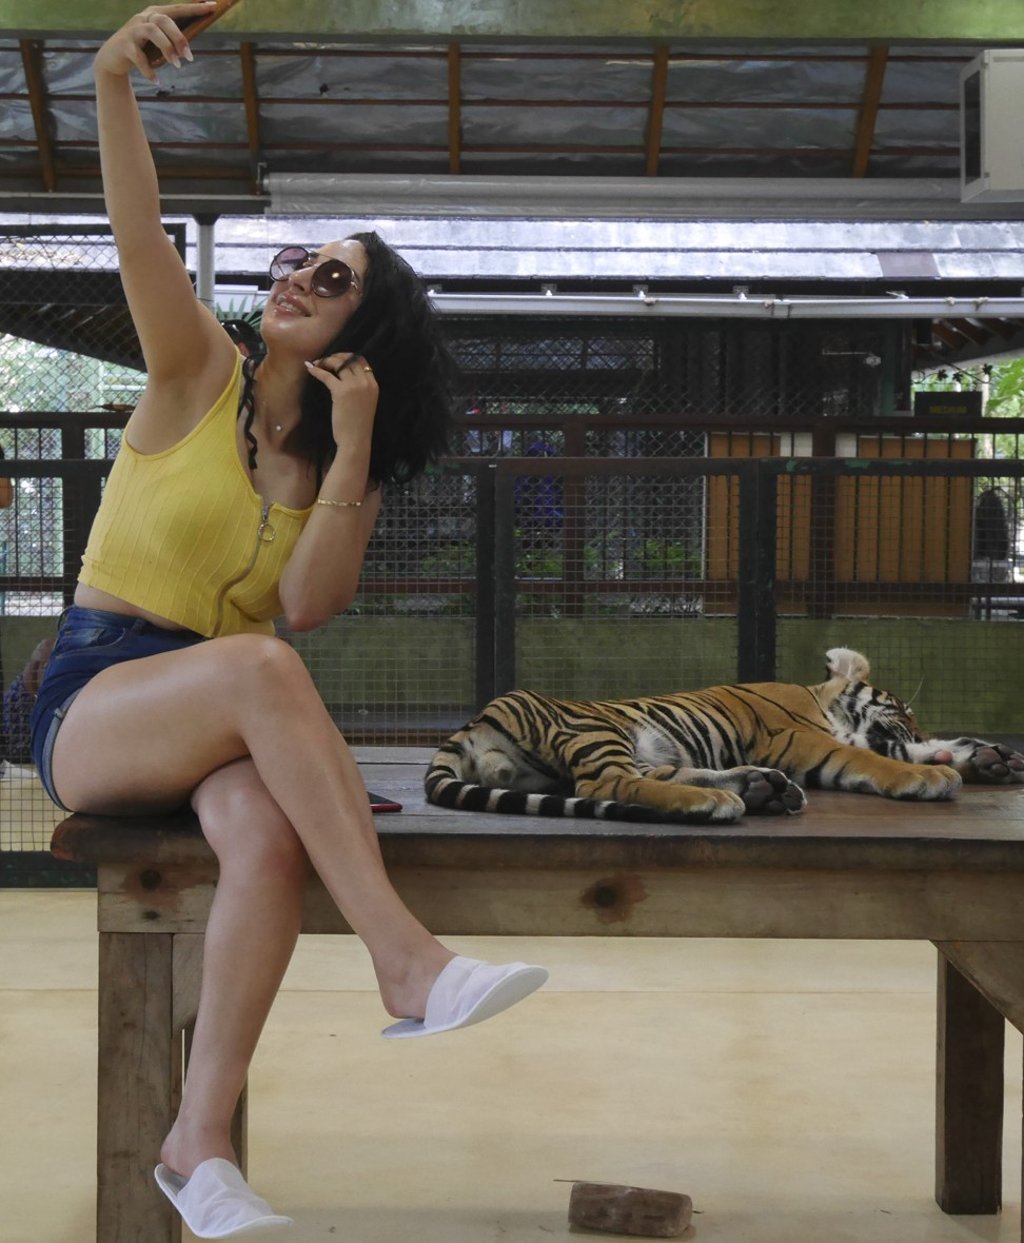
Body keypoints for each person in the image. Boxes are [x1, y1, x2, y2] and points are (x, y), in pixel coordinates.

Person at [30, 5, 546, 1237]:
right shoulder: (194, 373)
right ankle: (405, 961)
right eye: (295, 262)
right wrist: (111, 83)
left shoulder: (322, 471)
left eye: (334, 277)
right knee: (258, 665)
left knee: (262, 839)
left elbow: (312, 601)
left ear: (361, 330)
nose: (297, 277)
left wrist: (353, 442)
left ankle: (195, 1147)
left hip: (216, 713)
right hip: (97, 695)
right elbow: (137, 231)